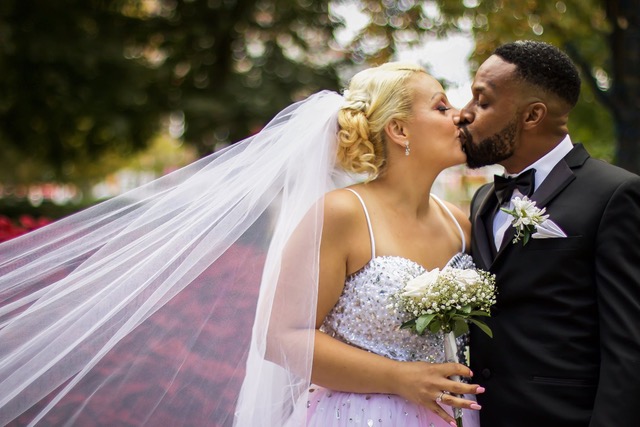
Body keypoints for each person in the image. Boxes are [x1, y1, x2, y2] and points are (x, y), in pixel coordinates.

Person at [0, 62, 482, 426]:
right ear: (398, 130)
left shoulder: (460, 223)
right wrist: (401, 379)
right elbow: (282, 337)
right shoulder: (342, 214)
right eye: (440, 106)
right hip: (361, 414)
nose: (460, 114)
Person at [455, 40, 640, 427]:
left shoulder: (614, 194)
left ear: (532, 115)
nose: (464, 114)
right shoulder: (484, 199)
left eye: (481, 101)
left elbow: (629, 347)